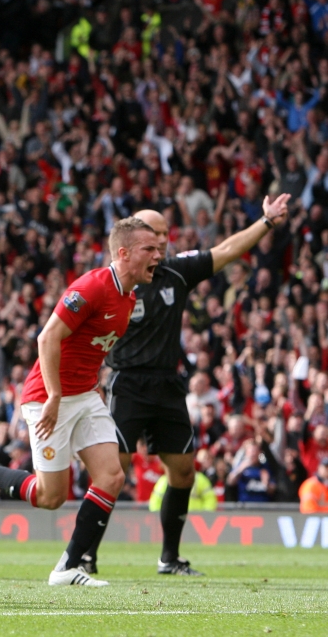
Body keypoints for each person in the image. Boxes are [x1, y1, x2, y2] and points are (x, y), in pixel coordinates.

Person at [0, 217, 162, 587]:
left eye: (158, 248)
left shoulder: (130, 296)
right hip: (48, 396)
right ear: (123, 253)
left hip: (86, 395)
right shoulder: (91, 287)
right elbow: (46, 339)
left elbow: (90, 346)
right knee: (49, 496)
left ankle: (69, 566)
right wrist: (55, 395)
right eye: (149, 249)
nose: (158, 255)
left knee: (112, 475)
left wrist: (95, 384)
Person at [83, 195, 289, 576]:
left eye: (165, 233)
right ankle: (86, 555)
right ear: (132, 240)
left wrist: (267, 222)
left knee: (183, 471)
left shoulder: (177, 272)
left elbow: (227, 250)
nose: (162, 240)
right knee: (113, 472)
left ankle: (169, 558)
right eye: (153, 234)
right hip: (126, 383)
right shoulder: (114, 281)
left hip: (167, 385)